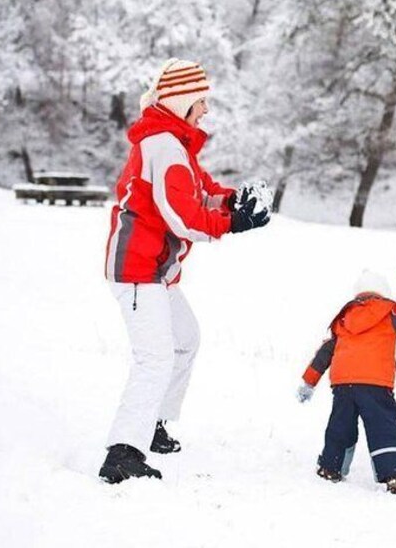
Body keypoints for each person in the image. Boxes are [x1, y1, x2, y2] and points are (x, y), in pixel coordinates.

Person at [99, 58, 270, 484]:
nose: (206, 110)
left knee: (185, 340)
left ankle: (151, 424)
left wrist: (235, 201)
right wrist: (235, 224)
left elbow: (203, 192)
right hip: (137, 267)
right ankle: (122, 453)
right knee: (154, 358)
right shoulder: (164, 146)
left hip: (156, 270)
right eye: (201, 102)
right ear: (181, 103)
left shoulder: (175, 144)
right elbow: (185, 218)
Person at [296, 266, 396, 494]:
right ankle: (393, 475)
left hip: (343, 383)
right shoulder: (389, 312)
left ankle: (330, 467)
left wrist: (309, 382)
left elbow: (325, 352)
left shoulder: (344, 318)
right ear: (383, 292)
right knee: (383, 427)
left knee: (340, 425)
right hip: (374, 382)